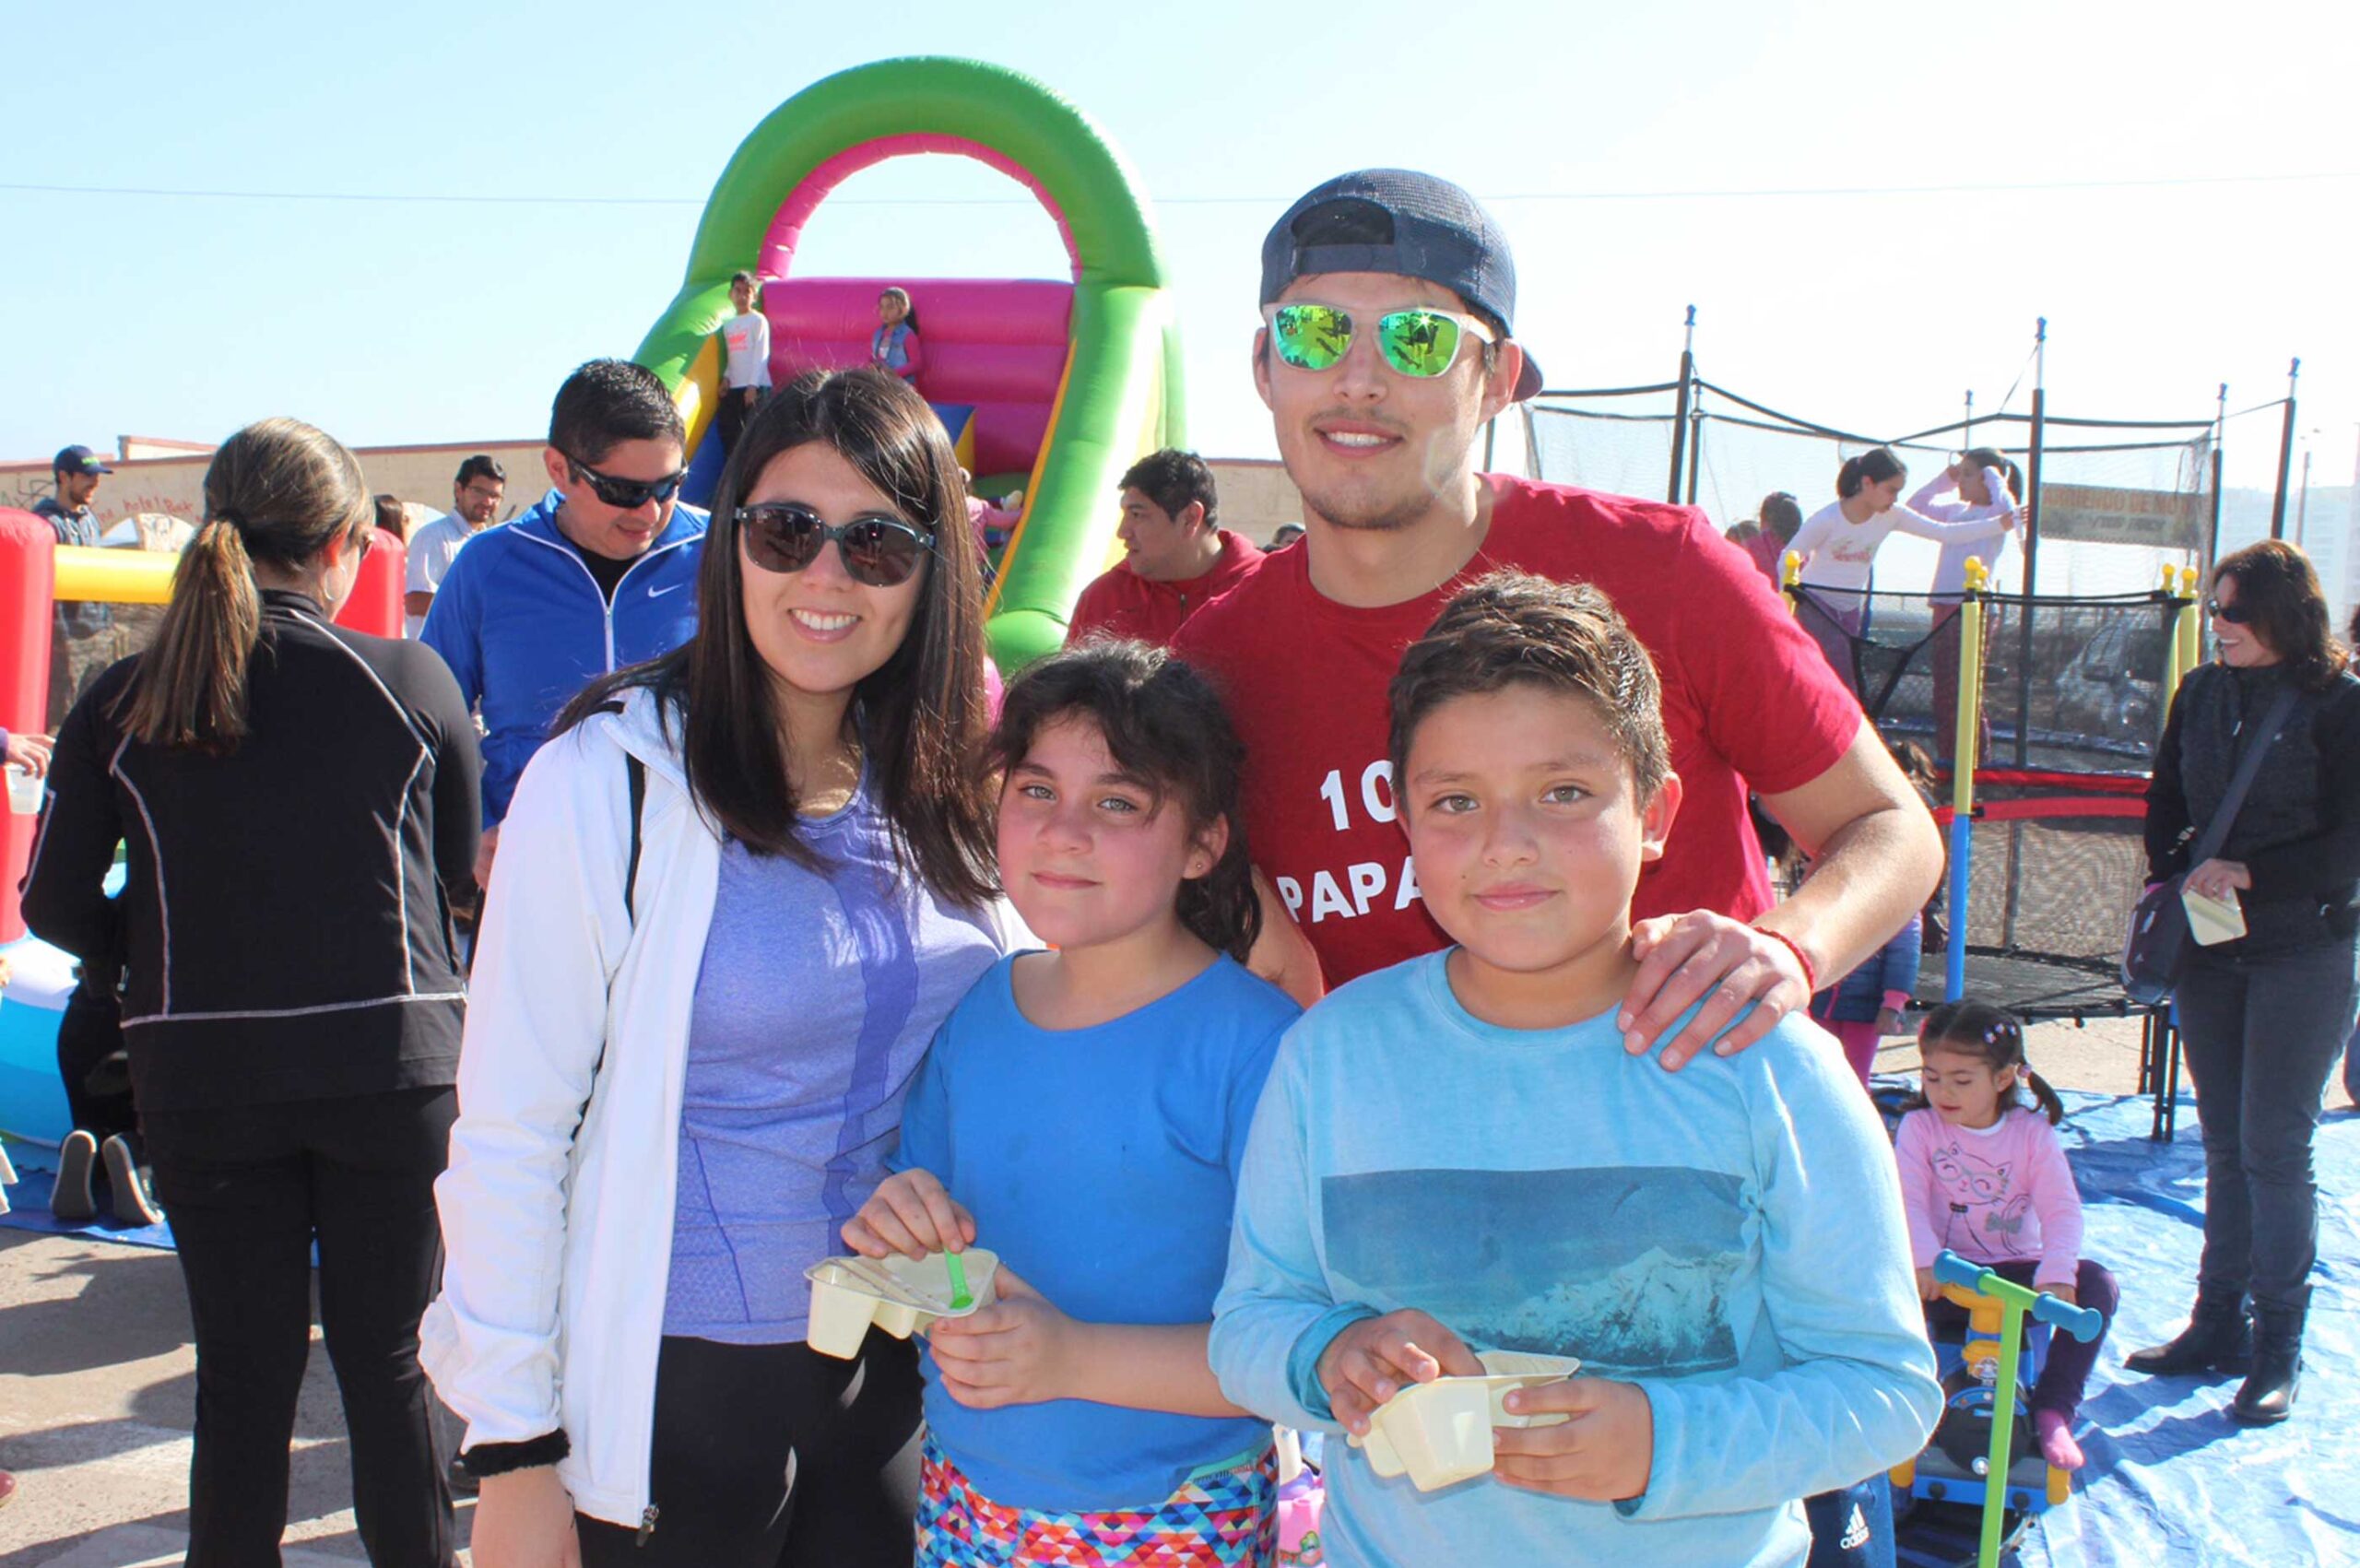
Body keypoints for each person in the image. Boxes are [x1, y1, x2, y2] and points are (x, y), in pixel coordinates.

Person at [1210, 571, 1940, 1568]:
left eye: (1564, 794)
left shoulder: (1767, 1067)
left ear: (1655, 811)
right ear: (1404, 823)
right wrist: (1326, 1356)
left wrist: (1662, 1444)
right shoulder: (1330, 1055)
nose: (1506, 845)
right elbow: (1251, 1320)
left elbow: (1883, 1390)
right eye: (1456, 801)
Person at [423, 367, 1012, 1568]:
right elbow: (511, 1133)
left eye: (879, 544)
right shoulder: (611, 779)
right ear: (729, 540)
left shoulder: (946, 789)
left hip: (894, 1377)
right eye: (788, 531)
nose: (826, 576)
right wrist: (514, 1450)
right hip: (669, 1392)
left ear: (932, 573)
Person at [1168, 169, 1944, 1078]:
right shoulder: (1213, 665)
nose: (1357, 380)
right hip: (1398, 1178)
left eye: (1417, 338)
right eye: (1312, 331)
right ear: (1264, 367)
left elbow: (1889, 828)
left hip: (1685, 1156)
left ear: (1495, 379)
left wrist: (1786, 949)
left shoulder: (1662, 570)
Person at [21, 418, 482, 1566]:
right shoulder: (404, 680)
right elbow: (456, 879)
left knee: (243, 1380)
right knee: (392, 1374)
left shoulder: (126, 700)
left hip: (207, 1070)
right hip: (394, 1064)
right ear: (342, 544)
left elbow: (52, 905)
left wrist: (160, 944)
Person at [844, 640, 1298, 1566]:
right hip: (964, 1500)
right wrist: (900, 1221)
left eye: (1118, 803)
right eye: (1036, 790)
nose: (1062, 832)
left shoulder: (1258, 1048)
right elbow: (923, 1219)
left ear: (1204, 843)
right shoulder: (979, 1009)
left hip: (1173, 1516)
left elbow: (1300, 1349)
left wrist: (1072, 1358)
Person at [2130, 540, 2358, 1424]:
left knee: (2274, 1146)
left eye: (2232, 612)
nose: (2216, 626)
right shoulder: (2200, 690)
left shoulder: (2340, 706)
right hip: (2211, 949)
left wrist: (2250, 872)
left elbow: (2349, 845)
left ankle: (2278, 1348)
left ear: (2281, 616)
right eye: (2214, 610)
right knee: (2222, 1142)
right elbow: (2165, 799)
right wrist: (2178, 868)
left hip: (2304, 949)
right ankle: (2214, 1323)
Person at [420, 359, 706, 887]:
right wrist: (470, 829)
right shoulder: (488, 566)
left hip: (691, 883)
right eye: (624, 492)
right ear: (559, 469)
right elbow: (429, 722)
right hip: (531, 877)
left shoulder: (722, 556)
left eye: (669, 487)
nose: (649, 512)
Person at [1897, 1000, 2119, 1471]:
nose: (1942, 1092)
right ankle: (1913, 1394)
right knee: (1871, 1278)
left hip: (2015, 1283)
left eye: (1961, 1081)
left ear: (2003, 1079)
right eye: (1931, 1077)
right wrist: (1924, 1259)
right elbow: (1907, 1200)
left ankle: (2053, 1408)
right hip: (1943, 1276)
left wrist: (2056, 1269)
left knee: (2098, 1284)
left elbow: (2061, 1209)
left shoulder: (2031, 1134)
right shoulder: (1919, 1127)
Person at [1785, 448, 2016, 696]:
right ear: (1867, 483)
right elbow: (1788, 558)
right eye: (1891, 490)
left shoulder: (1892, 515)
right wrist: (1785, 604)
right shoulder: (1829, 518)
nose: (1895, 498)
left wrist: (1998, 524)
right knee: (1817, 674)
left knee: (1845, 678)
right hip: (1816, 605)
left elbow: (1944, 532)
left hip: (1849, 610)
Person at [1065, 451, 1264, 647]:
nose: (1122, 532)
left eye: (1137, 515)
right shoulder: (1104, 598)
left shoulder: (1266, 588)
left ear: (1190, 518)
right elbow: (1069, 680)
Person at [1908, 450, 2022, 764]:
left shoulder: (1997, 513)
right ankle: (1949, 760)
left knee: (1965, 689)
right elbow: (1917, 506)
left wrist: (1995, 476)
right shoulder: (1957, 511)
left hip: (1972, 610)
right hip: (1944, 606)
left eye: (1970, 474)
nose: (1963, 479)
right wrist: (1949, 476)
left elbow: (2009, 509)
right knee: (1943, 690)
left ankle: (1975, 763)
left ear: (1988, 478)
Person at [34, 445, 125, 729]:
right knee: (64, 709)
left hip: (98, 631)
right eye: (87, 476)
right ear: (64, 477)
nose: (95, 483)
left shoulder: (90, 520)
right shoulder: (45, 522)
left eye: (97, 476)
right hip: (64, 637)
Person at [405, 455, 508, 637]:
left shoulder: (491, 543)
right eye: (479, 491)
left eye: (495, 496)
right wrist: (476, 607)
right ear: (458, 489)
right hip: (435, 654)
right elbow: (416, 602)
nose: (487, 502)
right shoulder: (432, 537)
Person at [716, 271, 773, 462]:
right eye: (737, 291)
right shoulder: (729, 325)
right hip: (735, 386)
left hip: (755, 386)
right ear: (730, 295)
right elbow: (733, 356)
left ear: (754, 296)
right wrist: (726, 378)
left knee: (752, 437)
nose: (742, 296)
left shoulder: (758, 321)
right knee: (730, 434)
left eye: (747, 292)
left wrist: (752, 386)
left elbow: (760, 354)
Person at [871, 287, 924, 383]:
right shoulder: (878, 334)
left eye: (890, 307)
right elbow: (875, 357)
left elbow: (916, 364)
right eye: (882, 307)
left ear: (903, 309)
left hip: (901, 386)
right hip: (883, 383)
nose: (885, 312)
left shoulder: (907, 335)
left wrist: (893, 373)